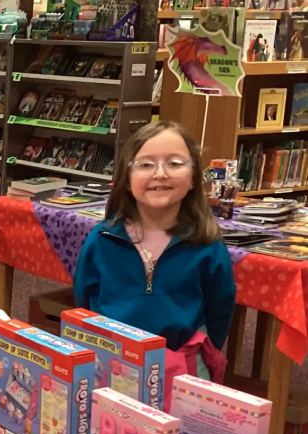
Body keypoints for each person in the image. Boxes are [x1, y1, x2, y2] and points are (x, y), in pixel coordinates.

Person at [74, 121, 235, 402]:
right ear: (126, 177)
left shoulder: (206, 245)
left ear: (195, 177)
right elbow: (83, 301)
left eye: (174, 163)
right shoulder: (103, 239)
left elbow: (220, 311)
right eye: (146, 164)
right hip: (111, 365)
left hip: (183, 367)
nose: (160, 174)